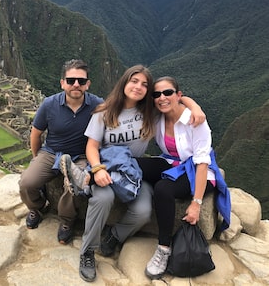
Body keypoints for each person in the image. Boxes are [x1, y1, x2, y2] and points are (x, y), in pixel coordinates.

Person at [60, 65, 206, 282]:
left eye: (144, 84)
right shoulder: (105, 112)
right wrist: (98, 169)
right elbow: (91, 146)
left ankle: (114, 236)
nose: (138, 87)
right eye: (134, 81)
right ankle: (88, 251)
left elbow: (172, 98)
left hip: (134, 173)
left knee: (143, 211)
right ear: (124, 83)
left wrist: (195, 108)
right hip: (106, 170)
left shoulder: (149, 112)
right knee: (103, 198)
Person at [144, 76, 231, 280]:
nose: (162, 98)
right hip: (173, 163)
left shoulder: (194, 121)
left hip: (199, 173)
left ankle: (164, 248)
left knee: (163, 189)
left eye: (168, 93)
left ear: (178, 95)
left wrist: (196, 203)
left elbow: (202, 163)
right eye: (157, 94)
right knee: (135, 165)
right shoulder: (158, 116)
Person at [18, 59, 103, 244]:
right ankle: (37, 207)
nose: (76, 85)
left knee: (73, 186)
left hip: (80, 156)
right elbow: (36, 134)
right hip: (50, 153)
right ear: (62, 82)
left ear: (87, 84)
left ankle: (66, 221)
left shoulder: (97, 105)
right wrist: (37, 159)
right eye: (71, 80)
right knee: (27, 182)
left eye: (81, 81)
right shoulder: (49, 104)